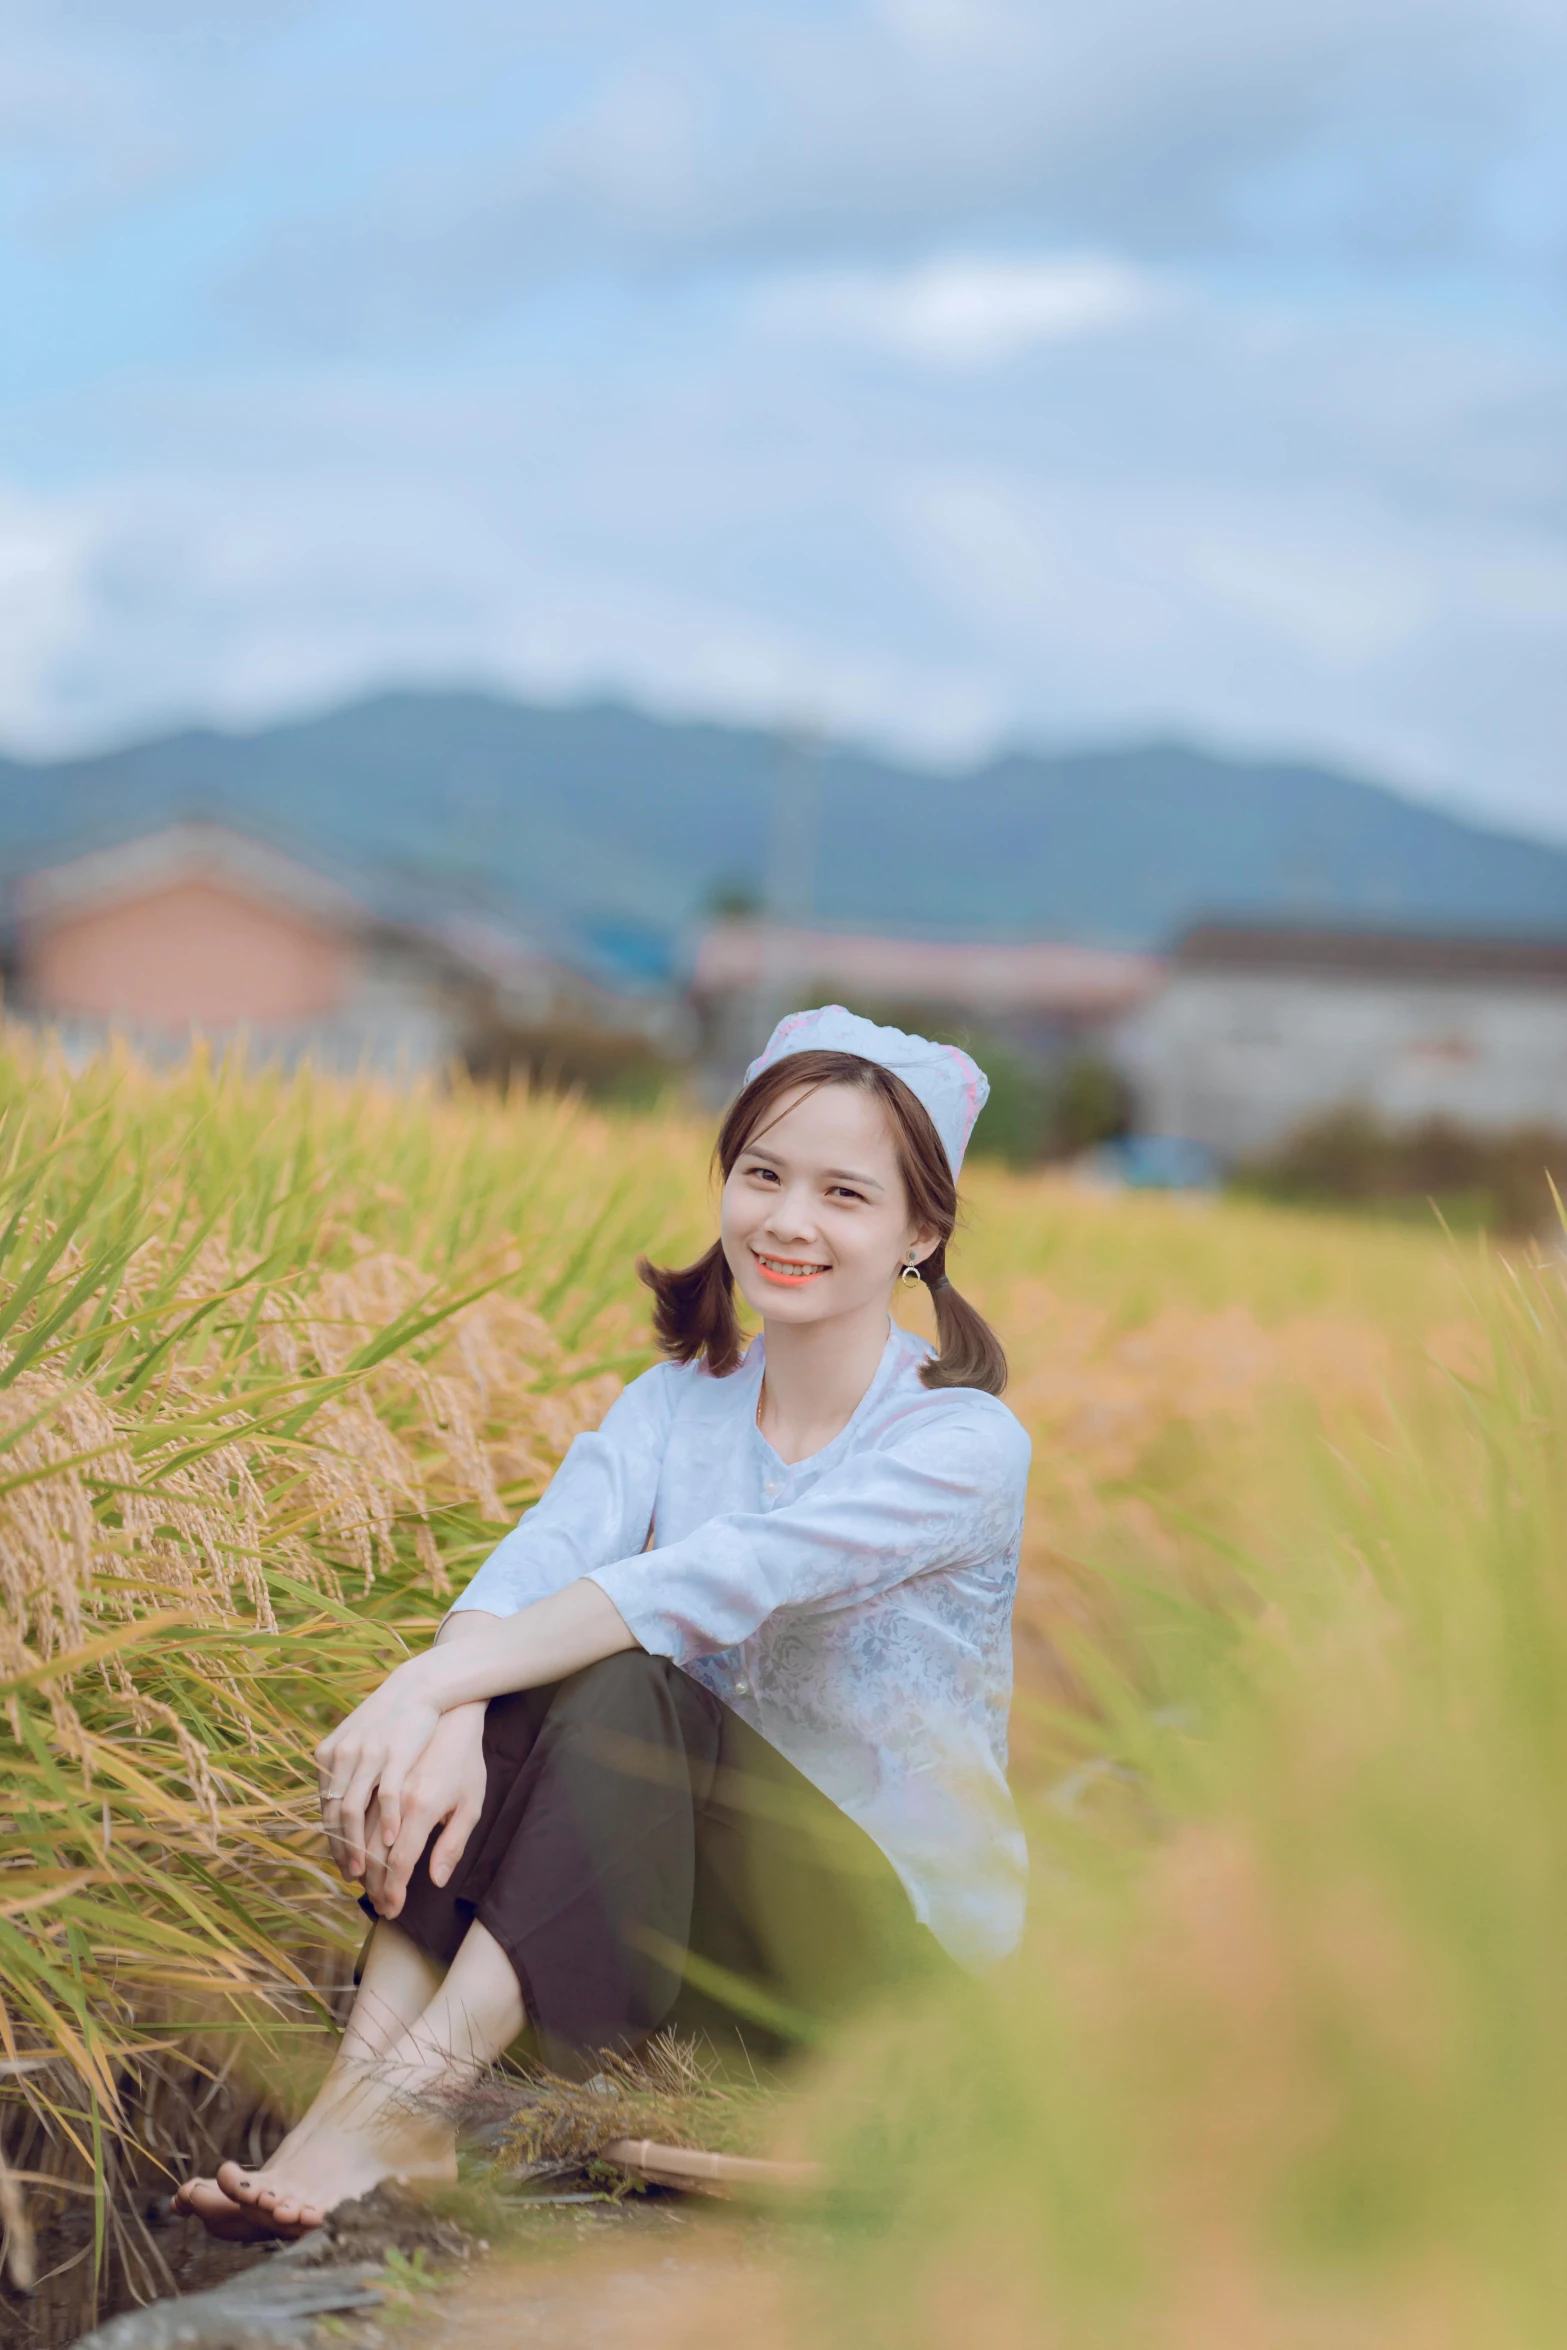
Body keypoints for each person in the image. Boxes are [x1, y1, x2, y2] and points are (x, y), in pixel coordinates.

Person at [177, 1007, 1031, 2240]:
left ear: (921, 1230)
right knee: (513, 1672)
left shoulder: (959, 1442)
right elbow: (543, 1557)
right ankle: (369, 2107)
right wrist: (454, 1696)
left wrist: (424, 1687)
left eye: (845, 1193)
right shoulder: (676, 1402)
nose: (789, 1221)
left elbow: (714, 1577)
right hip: (698, 1946)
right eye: (763, 1175)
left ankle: (407, 2100)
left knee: (616, 1671)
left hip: (878, 1983)